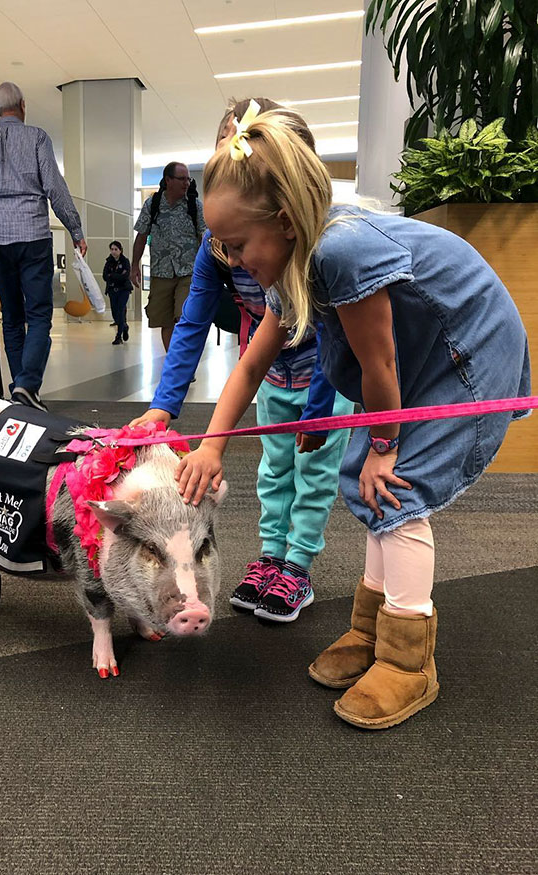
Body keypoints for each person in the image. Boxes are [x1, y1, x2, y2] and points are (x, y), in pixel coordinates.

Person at [175, 103, 531, 730]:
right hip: (415, 360)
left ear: (284, 220)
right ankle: (370, 631)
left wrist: (386, 444)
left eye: (236, 245)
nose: (231, 262)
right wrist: (211, 445)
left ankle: (407, 660)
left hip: (464, 352)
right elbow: (252, 366)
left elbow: (381, 364)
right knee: (359, 478)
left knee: (396, 490)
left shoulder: (342, 252)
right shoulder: (294, 259)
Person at [130, 99, 354, 623]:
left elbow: (334, 334)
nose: (233, 255)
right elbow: (191, 323)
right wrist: (164, 406)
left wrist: (319, 411)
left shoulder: (319, 248)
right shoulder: (217, 246)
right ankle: (272, 557)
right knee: (273, 468)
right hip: (272, 372)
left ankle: (297, 566)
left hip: (327, 377)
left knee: (313, 471)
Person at [0, 82, 87, 412]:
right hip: (32, 234)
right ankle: (27, 386)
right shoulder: (37, 137)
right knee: (39, 315)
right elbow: (55, 188)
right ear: (22, 104)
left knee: (12, 318)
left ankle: (21, 393)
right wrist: (75, 229)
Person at [131, 162, 206, 352]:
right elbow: (141, 236)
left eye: (188, 179)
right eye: (182, 179)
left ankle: (183, 364)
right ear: (168, 180)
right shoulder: (153, 204)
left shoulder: (194, 205)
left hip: (188, 272)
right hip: (161, 271)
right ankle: (174, 363)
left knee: (183, 317)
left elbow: (205, 238)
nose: (187, 183)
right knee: (165, 322)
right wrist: (134, 266)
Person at [103, 241, 132, 345]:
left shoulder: (125, 262)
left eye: (116, 249)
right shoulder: (108, 262)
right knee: (115, 313)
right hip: (112, 290)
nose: (114, 251)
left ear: (120, 250)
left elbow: (125, 276)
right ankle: (124, 326)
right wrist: (114, 276)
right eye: (112, 249)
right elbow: (105, 276)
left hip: (123, 290)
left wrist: (112, 275)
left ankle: (118, 336)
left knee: (120, 311)